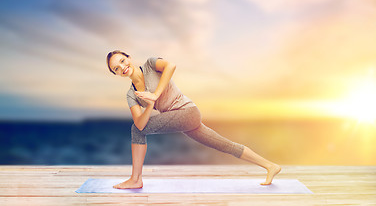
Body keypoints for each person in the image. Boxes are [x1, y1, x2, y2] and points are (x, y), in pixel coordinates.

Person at [106, 50, 281, 189]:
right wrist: (150, 104)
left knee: (136, 131)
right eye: (116, 69)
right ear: (116, 74)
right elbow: (140, 123)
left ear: (129, 57)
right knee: (224, 144)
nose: (122, 67)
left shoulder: (151, 65)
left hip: (188, 112)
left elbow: (171, 66)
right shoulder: (131, 95)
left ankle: (135, 179)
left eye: (122, 61)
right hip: (181, 119)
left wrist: (155, 95)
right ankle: (270, 166)